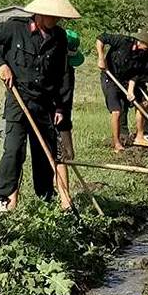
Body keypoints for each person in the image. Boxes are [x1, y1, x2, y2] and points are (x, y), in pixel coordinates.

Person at [0, 0, 79, 211]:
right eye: (51, 15)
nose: (55, 20)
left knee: (44, 152)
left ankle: (45, 198)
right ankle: (4, 201)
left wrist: (61, 108)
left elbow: (63, 74)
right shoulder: (14, 28)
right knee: (13, 151)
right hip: (18, 99)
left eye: (58, 16)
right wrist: (2, 65)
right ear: (39, 13)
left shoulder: (60, 38)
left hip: (45, 103)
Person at [95, 29, 148, 152]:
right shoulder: (122, 41)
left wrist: (130, 90)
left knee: (144, 104)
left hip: (127, 80)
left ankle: (139, 136)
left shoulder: (144, 54)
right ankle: (117, 143)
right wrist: (101, 57)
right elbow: (101, 38)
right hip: (110, 77)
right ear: (142, 41)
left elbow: (136, 73)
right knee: (117, 112)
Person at [55, 27, 85, 208]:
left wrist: (68, 141)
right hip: (54, 119)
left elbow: (65, 106)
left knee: (61, 156)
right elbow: (63, 107)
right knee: (60, 156)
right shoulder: (63, 71)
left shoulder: (66, 71)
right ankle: (65, 201)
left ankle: (63, 198)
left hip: (60, 118)